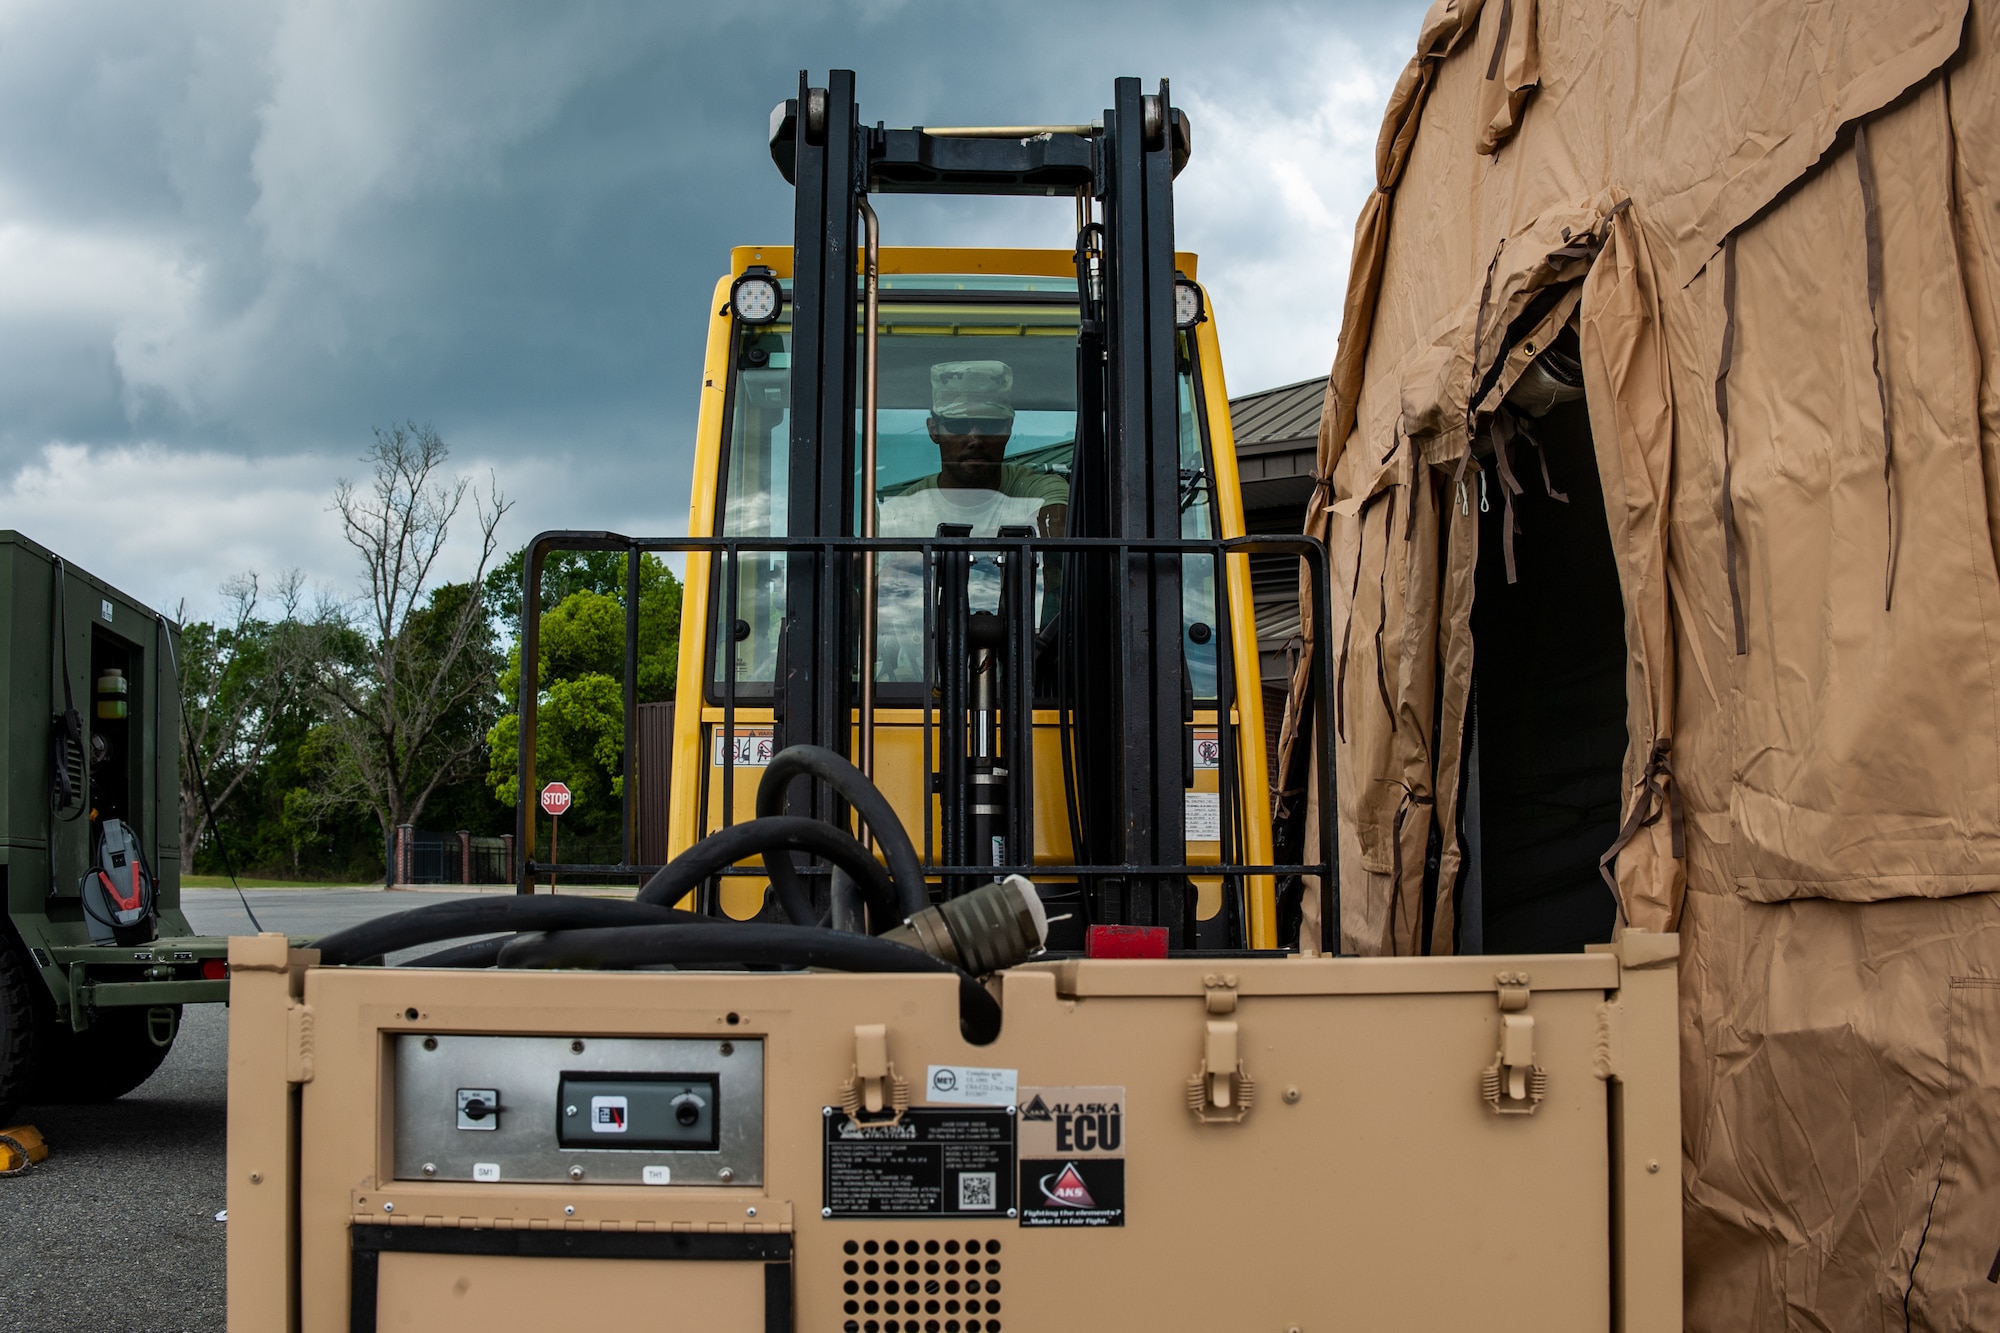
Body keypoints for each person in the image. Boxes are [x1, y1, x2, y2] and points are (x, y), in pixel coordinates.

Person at [877, 360, 1068, 539]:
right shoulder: (895, 517)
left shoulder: (1037, 493)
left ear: (1009, 428)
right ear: (933, 430)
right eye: (959, 425)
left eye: (989, 425)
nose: (975, 439)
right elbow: (871, 573)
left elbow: (1058, 513)